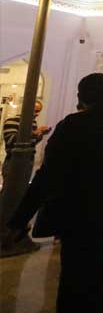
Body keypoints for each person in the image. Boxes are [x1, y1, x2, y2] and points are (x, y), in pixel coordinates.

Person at [6, 73, 103, 312]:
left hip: (76, 213)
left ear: (81, 97)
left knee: (74, 275)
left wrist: (20, 219)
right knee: (94, 267)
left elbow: (48, 175)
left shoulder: (72, 125)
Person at [0, 99, 51, 253]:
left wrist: (39, 135)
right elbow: (12, 141)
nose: (36, 114)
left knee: (20, 197)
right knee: (9, 197)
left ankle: (11, 234)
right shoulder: (12, 121)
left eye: (38, 111)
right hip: (14, 163)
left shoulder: (32, 124)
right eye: (34, 110)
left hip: (27, 162)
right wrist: (35, 133)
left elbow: (30, 142)